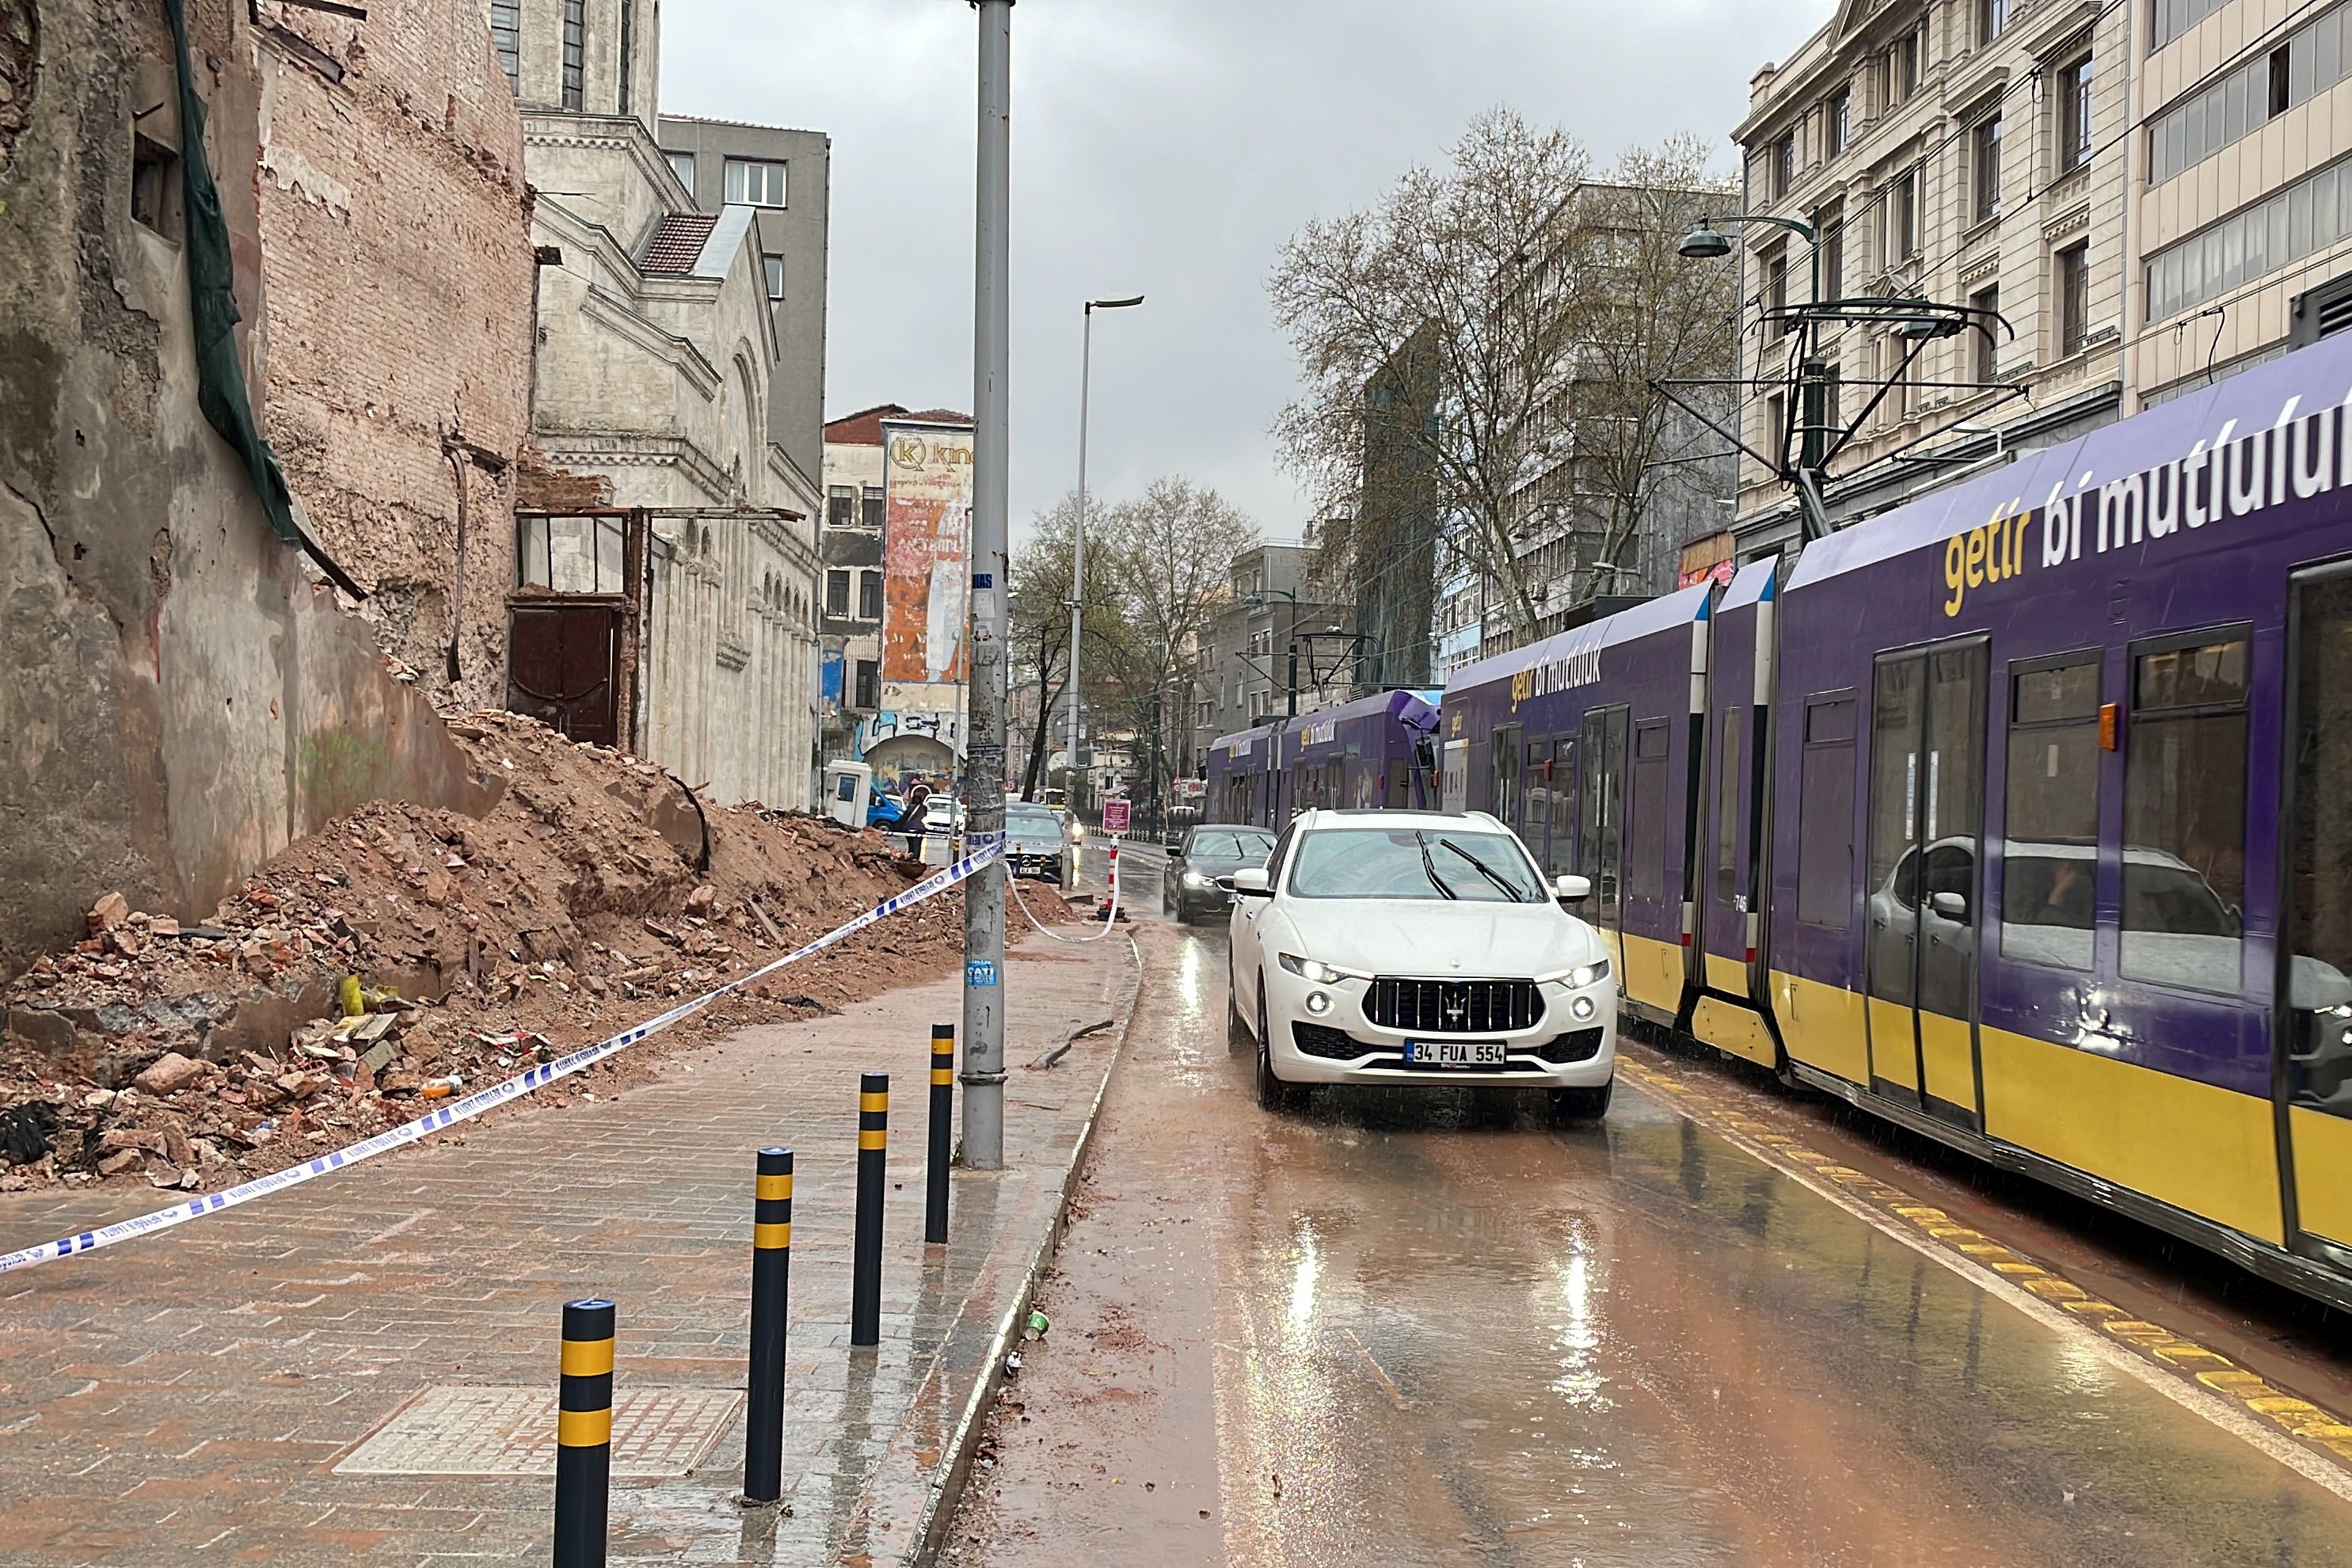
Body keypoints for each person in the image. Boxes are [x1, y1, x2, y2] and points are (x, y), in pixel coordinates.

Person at [900, 775, 931, 858]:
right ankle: (916, 860)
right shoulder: (924, 808)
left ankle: (911, 859)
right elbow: (924, 816)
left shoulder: (910, 807)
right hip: (920, 829)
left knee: (911, 846)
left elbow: (905, 816)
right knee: (917, 846)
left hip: (909, 829)